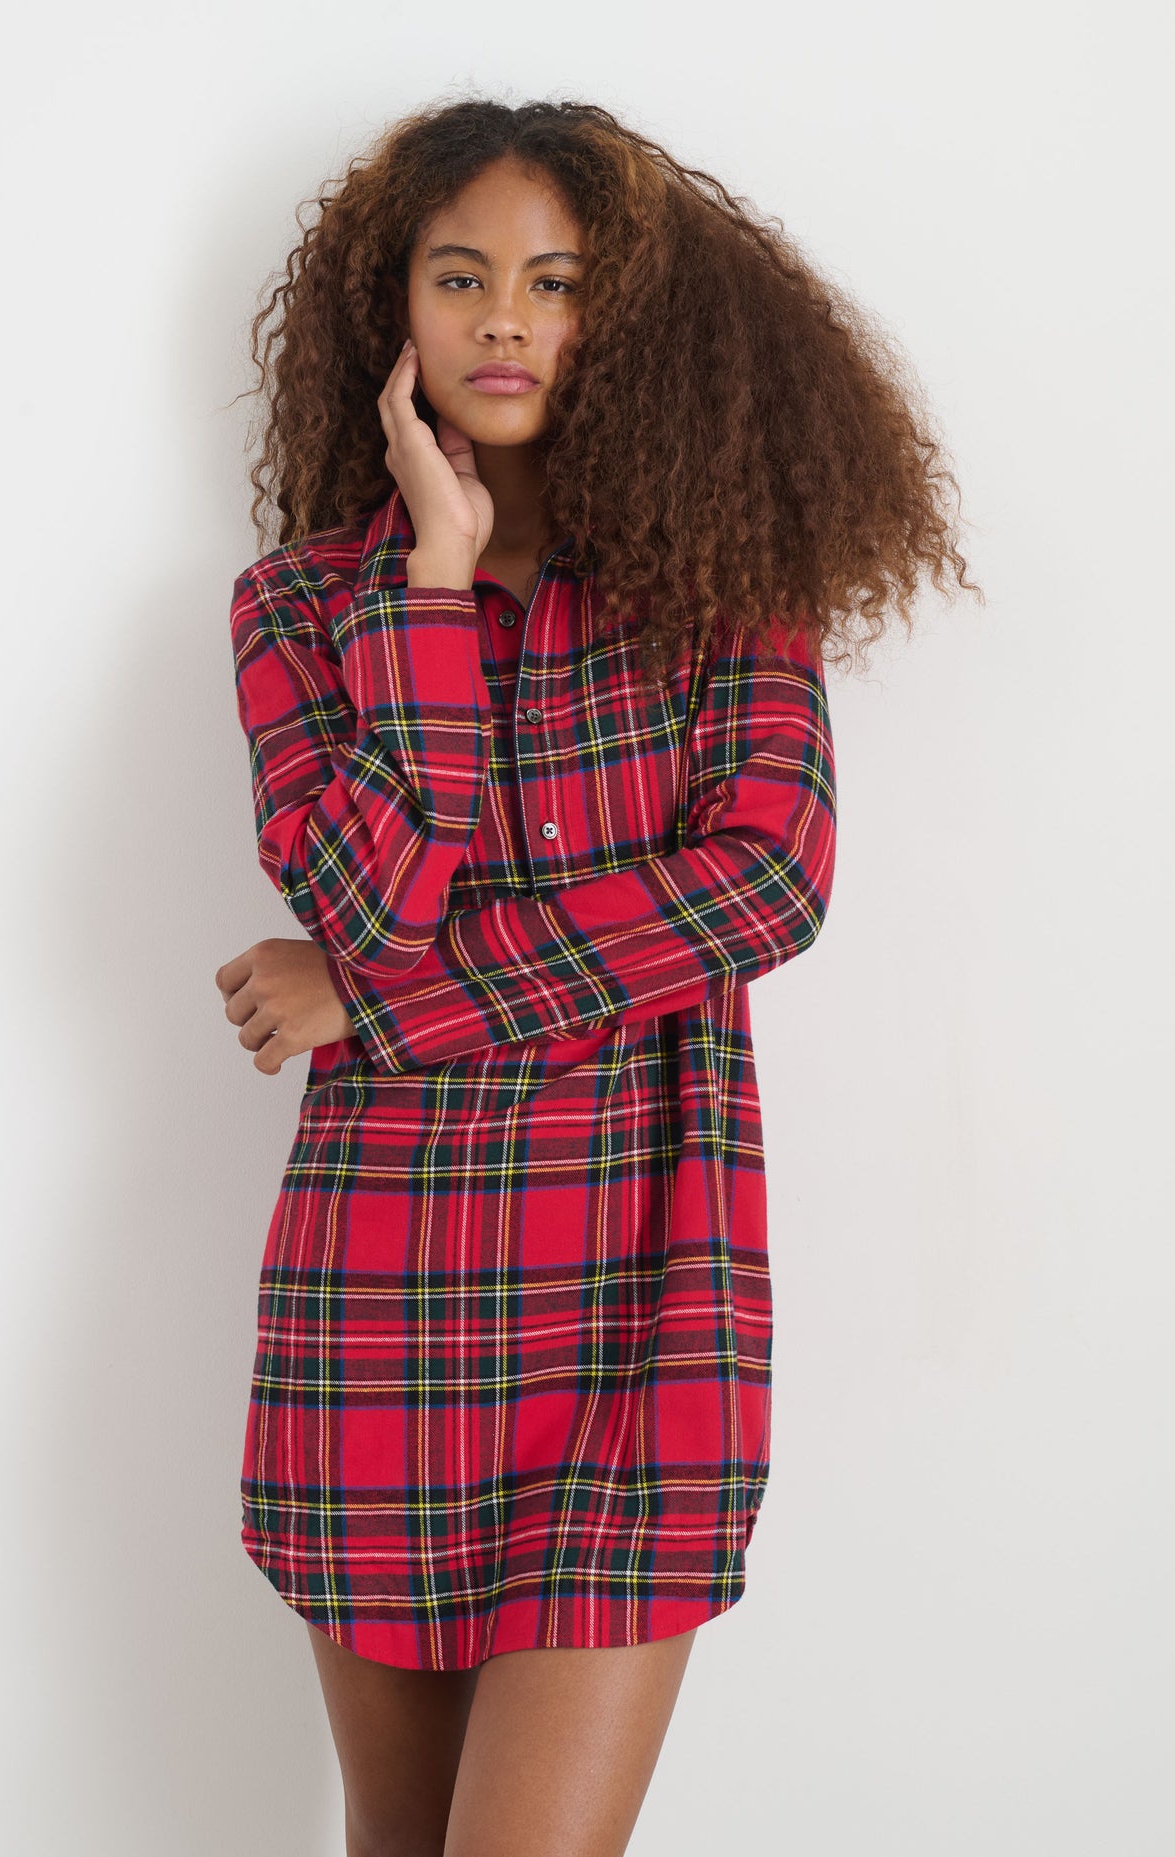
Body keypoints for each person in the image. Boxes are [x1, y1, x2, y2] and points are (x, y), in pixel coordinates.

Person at [214, 97, 978, 1857]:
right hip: (384, 1313)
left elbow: (765, 884)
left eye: (551, 283)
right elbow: (370, 903)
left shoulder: (722, 594)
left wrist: (375, 1005)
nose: (502, 318)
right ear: (391, 313)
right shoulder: (302, 606)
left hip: (646, 1310)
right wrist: (431, 576)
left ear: (615, 317)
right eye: (460, 276)